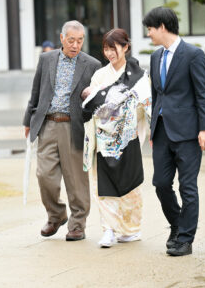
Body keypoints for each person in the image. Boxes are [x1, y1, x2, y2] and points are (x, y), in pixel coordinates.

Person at [143, 7, 205, 256]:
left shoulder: (193, 54)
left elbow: (203, 93)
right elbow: (156, 96)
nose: (149, 34)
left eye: (150, 29)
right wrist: (153, 131)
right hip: (162, 133)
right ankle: (176, 225)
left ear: (162, 26)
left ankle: (185, 239)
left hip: (188, 133)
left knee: (187, 187)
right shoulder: (155, 57)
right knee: (161, 184)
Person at [23, 20, 101, 241]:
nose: (76, 45)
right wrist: (28, 120)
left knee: (76, 179)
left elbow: (97, 99)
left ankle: (78, 224)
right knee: (44, 175)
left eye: (80, 40)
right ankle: (56, 215)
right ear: (61, 39)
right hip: (47, 123)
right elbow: (36, 91)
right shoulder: (46, 59)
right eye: (71, 40)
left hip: (74, 125)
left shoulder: (92, 64)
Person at [80, 29, 151, 248]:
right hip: (103, 140)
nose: (110, 53)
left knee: (131, 186)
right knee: (103, 185)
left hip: (128, 138)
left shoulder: (138, 75)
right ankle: (108, 230)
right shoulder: (100, 75)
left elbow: (146, 103)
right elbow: (92, 104)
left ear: (126, 47)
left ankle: (131, 229)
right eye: (106, 48)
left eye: (114, 48)